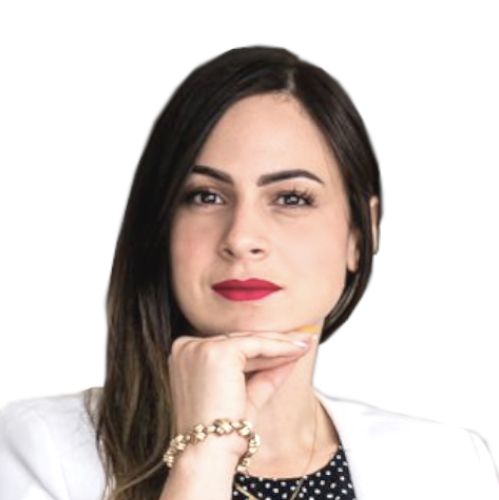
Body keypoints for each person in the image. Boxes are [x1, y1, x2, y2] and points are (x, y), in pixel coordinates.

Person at [0, 46, 497, 500]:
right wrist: (205, 455)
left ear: (359, 233)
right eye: (206, 196)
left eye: (291, 198)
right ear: (161, 226)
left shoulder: (448, 467)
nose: (241, 237)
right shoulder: (40, 449)